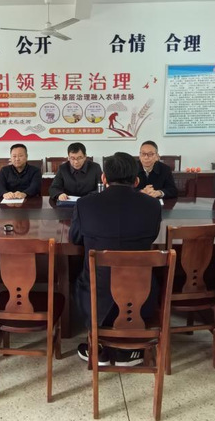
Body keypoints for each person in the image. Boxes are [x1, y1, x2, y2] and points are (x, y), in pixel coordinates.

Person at [70, 152, 162, 366]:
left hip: (97, 296)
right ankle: (128, 350)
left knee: (79, 276)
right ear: (136, 181)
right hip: (141, 294)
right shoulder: (152, 205)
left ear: (104, 178)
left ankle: (97, 344)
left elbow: (75, 238)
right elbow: (151, 236)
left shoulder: (85, 204)